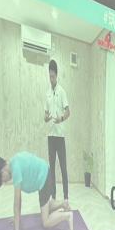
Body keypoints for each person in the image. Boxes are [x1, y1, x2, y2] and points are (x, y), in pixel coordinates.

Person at [0, 152, 73, 230]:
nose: (5, 182)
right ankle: (63, 204)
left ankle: (68, 216)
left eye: (2, 180)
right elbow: (19, 201)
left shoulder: (15, 169)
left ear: (3, 171)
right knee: (45, 209)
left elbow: (17, 204)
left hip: (44, 177)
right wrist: (17, 218)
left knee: (46, 222)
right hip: (45, 173)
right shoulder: (14, 162)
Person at [44, 59, 70, 209]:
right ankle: (53, 197)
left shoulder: (62, 92)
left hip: (60, 136)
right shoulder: (47, 93)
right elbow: (45, 115)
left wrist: (61, 118)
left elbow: (68, 112)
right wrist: (46, 118)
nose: (51, 79)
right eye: (49, 76)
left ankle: (66, 198)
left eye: (53, 76)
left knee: (63, 168)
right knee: (52, 169)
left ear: (57, 75)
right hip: (50, 136)